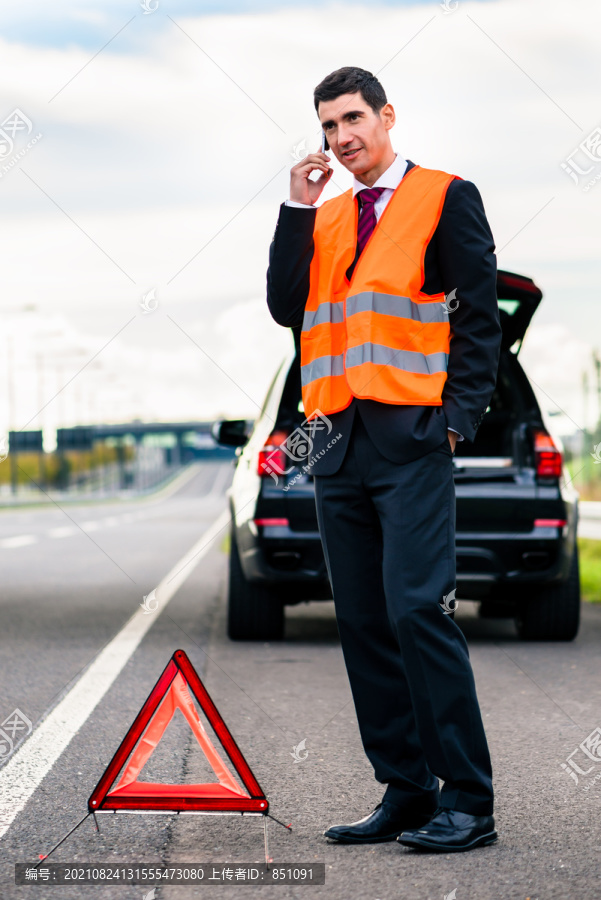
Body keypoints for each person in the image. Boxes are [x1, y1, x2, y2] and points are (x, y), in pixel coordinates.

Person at [266, 66, 502, 853]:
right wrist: (295, 208)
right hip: (335, 447)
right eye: (330, 126)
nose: (342, 138)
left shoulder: (444, 195)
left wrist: (456, 422)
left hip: (411, 443)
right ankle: (404, 792)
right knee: (365, 624)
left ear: (386, 115)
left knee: (414, 610)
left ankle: (468, 799)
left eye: (353, 119)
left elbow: (476, 317)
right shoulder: (325, 214)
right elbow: (283, 306)